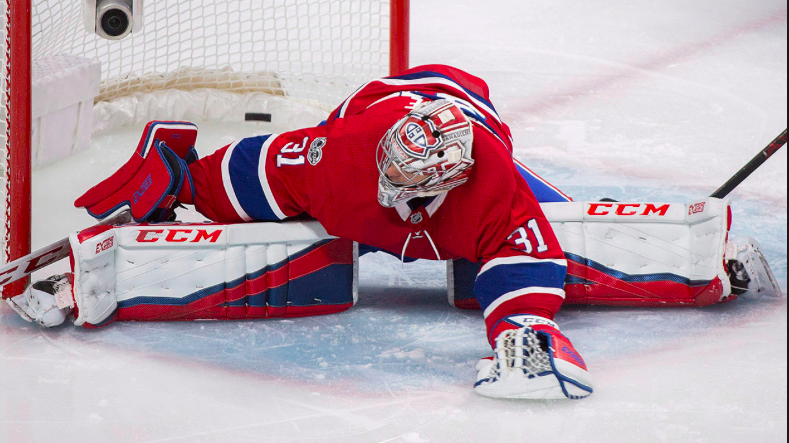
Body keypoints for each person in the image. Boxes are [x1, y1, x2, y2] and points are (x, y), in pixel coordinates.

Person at [9, 65, 781, 401]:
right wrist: (185, 179)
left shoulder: (490, 185)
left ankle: (699, 253)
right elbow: (256, 170)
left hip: (465, 106)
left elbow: (529, 253)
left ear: (444, 181)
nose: (392, 194)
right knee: (292, 207)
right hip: (377, 105)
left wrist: (521, 327)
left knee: (549, 220)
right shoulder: (340, 158)